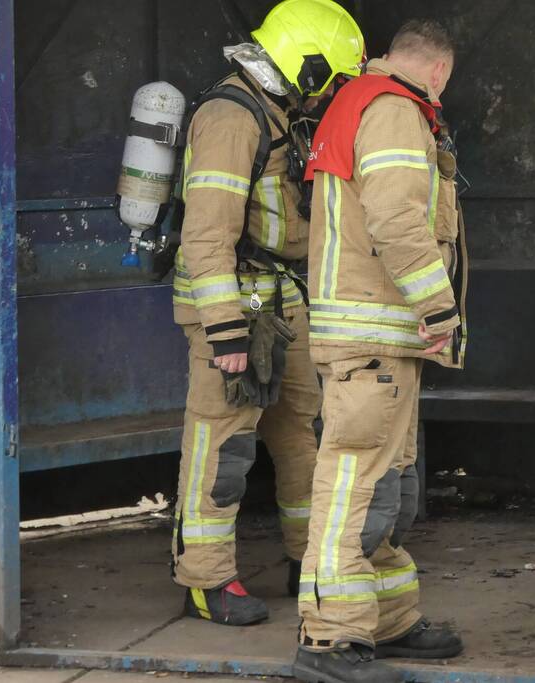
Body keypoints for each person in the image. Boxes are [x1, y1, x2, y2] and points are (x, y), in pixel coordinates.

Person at [170, 0, 364, 626]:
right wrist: (225, 329)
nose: (330, 94)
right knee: (223, 443)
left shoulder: (278, 110)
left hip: (280, 297)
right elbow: (206, 236)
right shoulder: (231, 116)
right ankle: (205, 579)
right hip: (238, 302)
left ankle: (308, 562)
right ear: (306, 68)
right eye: (331, 80)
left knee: (304, 434)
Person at [292, 19, 468, 683]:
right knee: (357, 483)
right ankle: (331, 642)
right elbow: (397, 221)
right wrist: (438, 307)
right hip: (373, 332)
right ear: (438, 71)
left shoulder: (363, 101)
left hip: (374, 334)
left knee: (385, 483)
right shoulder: (395, 112)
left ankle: (388, 618)